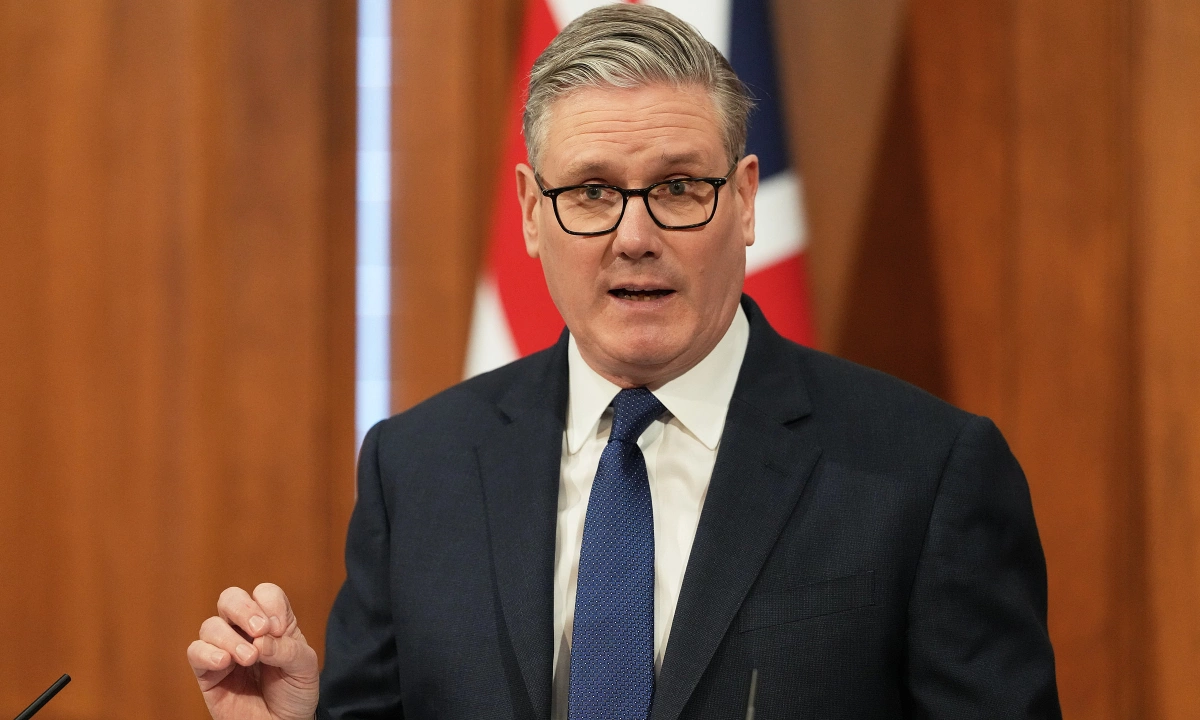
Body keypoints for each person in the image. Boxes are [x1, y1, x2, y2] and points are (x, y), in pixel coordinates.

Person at [187, 5, 1061, 719]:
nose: (634, 236)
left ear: (745, 200)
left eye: (679, 187)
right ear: (532, 213)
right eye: (592, 191)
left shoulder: (925, 473)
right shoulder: (418, 470)